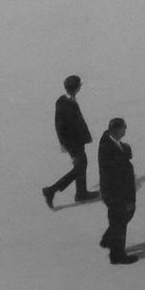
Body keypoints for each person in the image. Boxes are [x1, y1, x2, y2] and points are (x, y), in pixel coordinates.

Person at [43, 75, 94, 208]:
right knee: (80, 167)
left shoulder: (65, 100)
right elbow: (59, 126)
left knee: (81, 165)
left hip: (77, 140)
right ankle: (51, 190)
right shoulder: (64, 104)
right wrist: (64, 143)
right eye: (79, 86)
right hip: (72, 142)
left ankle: (81, 192)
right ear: (76, 88)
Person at [98, 119, 137, 264]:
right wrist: (124, 198)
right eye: (123, 129)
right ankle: (117, 255)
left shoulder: (111, 141)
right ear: (116, 130)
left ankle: (108, 239)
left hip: (116, 191)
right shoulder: (108, 147)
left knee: (121, 219)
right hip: (116, 192)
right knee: (120, 221)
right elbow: (115, 172)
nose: (125, 131)